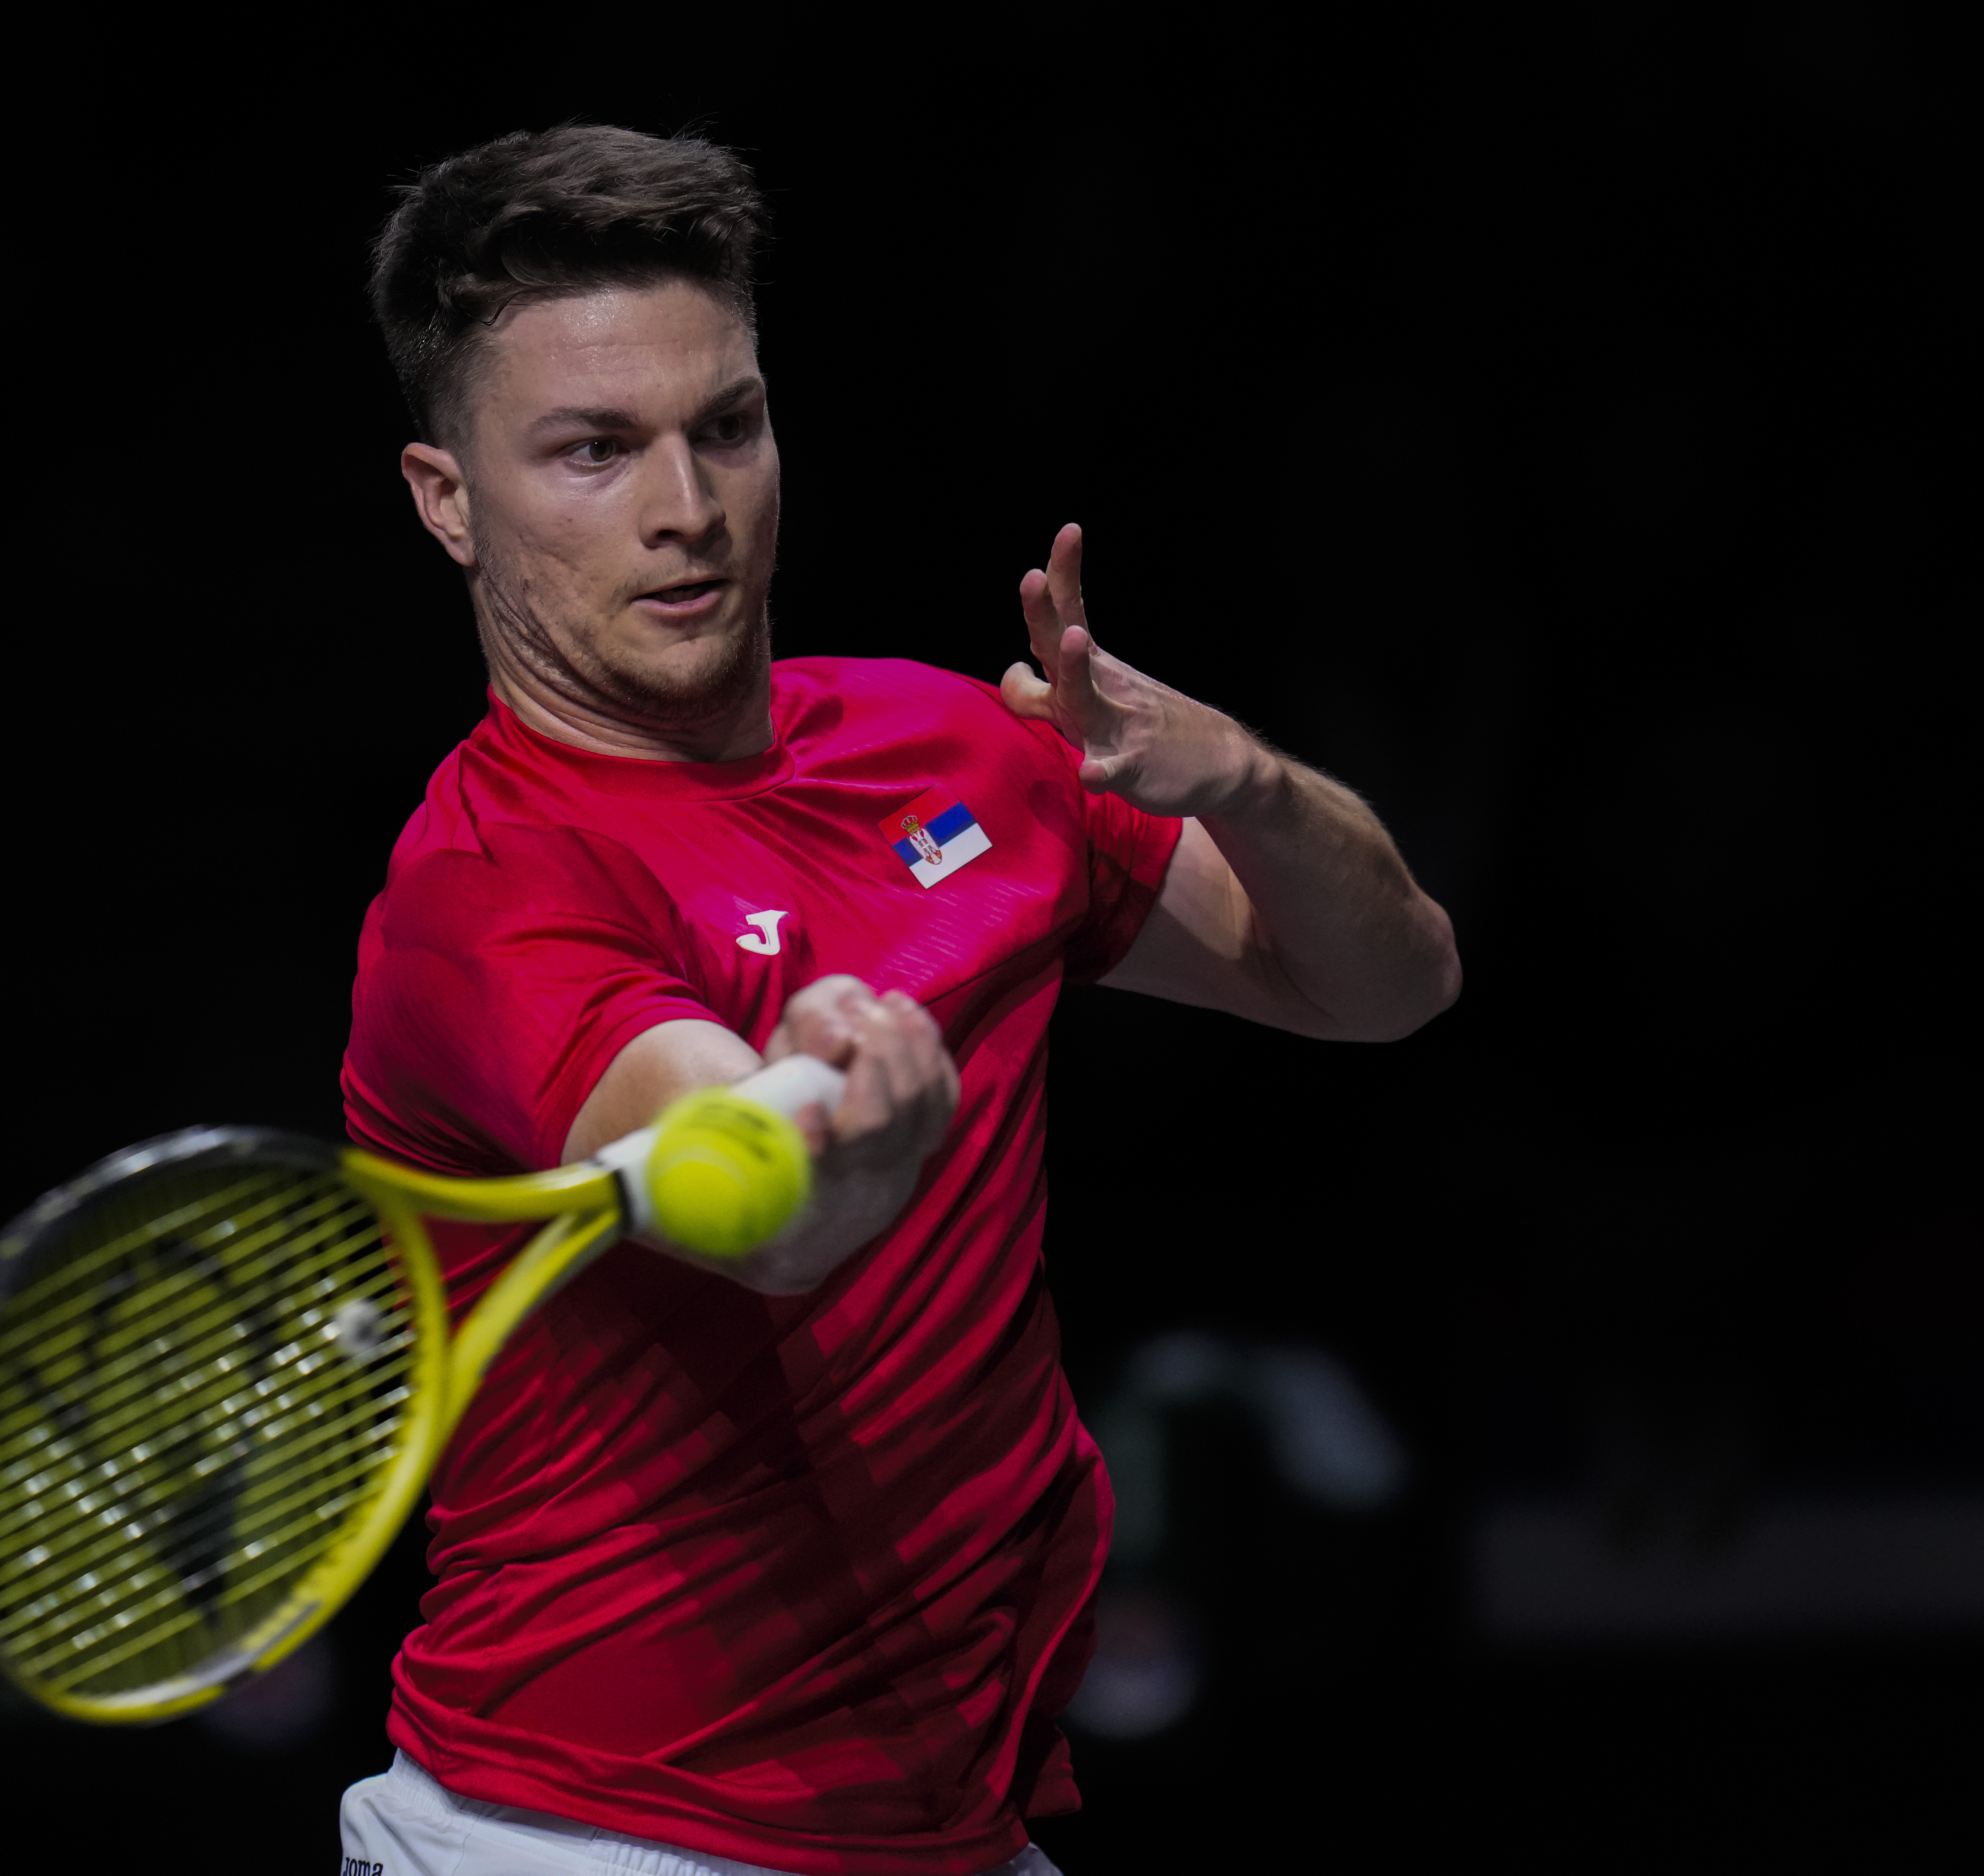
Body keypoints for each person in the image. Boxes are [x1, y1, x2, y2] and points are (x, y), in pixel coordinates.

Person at [336, 125, 1459, 1876]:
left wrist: (1238, 777)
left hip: (947, 1813)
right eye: (591, 452)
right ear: (446, 497)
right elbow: (750, 1191)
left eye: (726, 426)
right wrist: (842, 1125)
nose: (685, 509)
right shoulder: (487, 898)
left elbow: (1392, 984)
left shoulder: (952, 744)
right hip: (584, 1830)